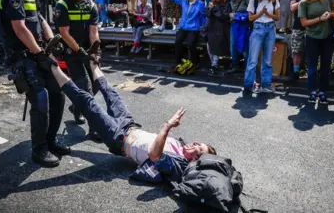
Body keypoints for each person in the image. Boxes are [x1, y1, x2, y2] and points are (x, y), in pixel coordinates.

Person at [45, 41, 216, 182]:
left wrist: (168, 126)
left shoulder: (177, 165)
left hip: (117, 138)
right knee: (111, 92)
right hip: (129, 125)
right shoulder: (180, 147)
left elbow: (154, 155)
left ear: (195, 160)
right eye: (197, 143)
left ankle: (51, 64)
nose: (194, 144)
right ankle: (92, 61)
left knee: (87, 101)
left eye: (198, 149)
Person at [0, 0, 67, 167]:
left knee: (57, 93)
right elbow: (19, 28)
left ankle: (51, 140)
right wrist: (39, 52)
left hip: (38, 54)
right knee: (40, 98)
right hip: (23, 57)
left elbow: (41, 20)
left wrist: (53, 40)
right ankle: (39, 150)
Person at [55, 0, 101, 141]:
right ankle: (95, 128)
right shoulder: (62, 5)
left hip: (87, 49)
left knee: (97, 84)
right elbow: (64, 33)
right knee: (85, 86)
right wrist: (79, 51)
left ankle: (76, 107)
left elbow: (93, 30)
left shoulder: (90, 4)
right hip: (71, 51)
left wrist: (95, 51)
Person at [298, 0, 334, 104]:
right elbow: (304, 23)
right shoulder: (304, 2)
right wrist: (320, 19)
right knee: (312, 67)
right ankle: (312, 91)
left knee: (325, 66)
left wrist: (331, 14)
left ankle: (323, 92)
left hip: (327, 37)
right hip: (312, 38)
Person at [244, 0, 280, 94]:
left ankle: (266, 84)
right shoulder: (254, 0)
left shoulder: (274, 0)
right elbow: (250, 18)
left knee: (267, 60)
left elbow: (277, 17)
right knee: (253, 59)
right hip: (258, 28)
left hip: (270, 28)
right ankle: (249, 85)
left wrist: (268, 14)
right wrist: (260, 13)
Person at [166, 0, 205, 72]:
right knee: (177, 41)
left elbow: (203, 17)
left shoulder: (200, 4)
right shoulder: (184, 1)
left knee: (191, 44)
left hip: (193, 28)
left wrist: (202, 27)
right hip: (183, 27)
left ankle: (195, 62)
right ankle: (178, 61)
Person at [205, 0, 231, 74]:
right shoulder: (211, 4)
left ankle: (214, 63)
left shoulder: (226, 4)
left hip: (221, 28)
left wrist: (214, 9)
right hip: (211, 27)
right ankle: (214, 63)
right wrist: (211, 9)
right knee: (209, 44)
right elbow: (207, 14)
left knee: (215, 43)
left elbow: (223, 16)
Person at [290, 0, 311, 79]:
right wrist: (304, 0)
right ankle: (296, 72)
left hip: (312, 27)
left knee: (312, 51)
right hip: (298, 26)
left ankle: (311, 72)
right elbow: (292, 7)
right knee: (296, 50)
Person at [229, 0, 252, 73]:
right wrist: (231, 15)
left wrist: (237, 15)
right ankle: (235, 65)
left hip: (244, 25)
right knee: (233, 45)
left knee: (244, 46)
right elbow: (232, 12)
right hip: (234, 24)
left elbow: (251, 13)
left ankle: (247, 67)